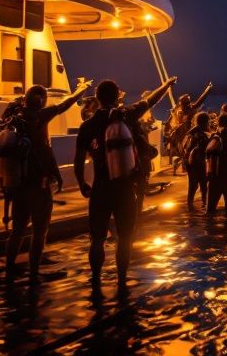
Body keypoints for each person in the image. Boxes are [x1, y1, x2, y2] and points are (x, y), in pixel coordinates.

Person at [73, 76, 176, 293]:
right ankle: (121, 281)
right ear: (117, 96)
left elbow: (78, 158)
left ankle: (96, 281)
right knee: (126, 237)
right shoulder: (127, 115)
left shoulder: (88, 125)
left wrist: (82, 183)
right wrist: (166, 86)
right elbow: (151, 100)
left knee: (97, 239)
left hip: (101, 187)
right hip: (125, 188)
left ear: (97, 99)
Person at [4, 81, 92, 283]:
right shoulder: (39, 117)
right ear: (42, 101)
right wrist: (81, 90)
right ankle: (34, 274)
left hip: (18, 185)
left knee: (17, 231)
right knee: (40, 231)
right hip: (38, 185)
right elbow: (65, 105)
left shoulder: (14, 118)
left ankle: (10, 270)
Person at [166, 82, 213, 174]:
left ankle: (184, 167)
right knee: (187, 152)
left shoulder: (178, 110)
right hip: (187, 134)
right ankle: (185, 167)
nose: (189, 102)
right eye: (188, 100)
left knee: (185, 153)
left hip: (180, 134)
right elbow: (201, 100)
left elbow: (170, 122)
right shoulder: (189, 108)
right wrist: (208, 89)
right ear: (186, 102)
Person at [180, 112, 212, 211]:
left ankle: (192, 204)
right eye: (208, 121)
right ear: (206, 122)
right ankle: (202, 205)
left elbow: (184, 148)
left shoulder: (191, 132)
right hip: (198, 162)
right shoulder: (200, 133)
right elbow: (201, 148)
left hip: (191, 162)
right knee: (200, 183)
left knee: (194, 184)